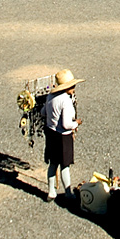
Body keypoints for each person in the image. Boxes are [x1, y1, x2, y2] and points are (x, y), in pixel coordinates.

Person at [42, 69, 85, 201]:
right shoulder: (65, 101)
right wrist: (76, 123)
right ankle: (67, 192)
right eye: (72, 86)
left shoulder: (50, 97)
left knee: (53, 164)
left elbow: (43, 112)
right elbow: (67, 124)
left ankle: (51, 192)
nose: (74, 88)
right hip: (63, 136)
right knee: (64, 165)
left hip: (51, 134)